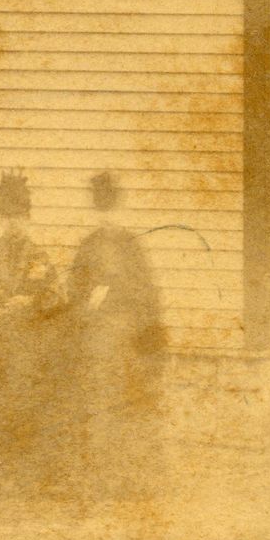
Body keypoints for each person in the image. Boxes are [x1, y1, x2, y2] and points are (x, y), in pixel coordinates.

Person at [0, 171, 68, 479]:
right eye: (7, 218)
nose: (13, 224)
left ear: (28, 219)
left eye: (19, 217)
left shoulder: (40, 257)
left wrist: (30, 303)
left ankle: (21, 474)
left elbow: (56, 299)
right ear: (1, 220)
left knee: (23, 403)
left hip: (26, 346)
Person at [67, 172, 166, 497]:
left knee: (133, 407)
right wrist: (88, 302)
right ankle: (99, 480)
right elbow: (74, 292)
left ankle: (133, 481)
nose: (106, 217)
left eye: (110, 209)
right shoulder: (87, 247)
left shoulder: (131, 247)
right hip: (97, 342)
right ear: (95, 212)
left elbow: (148, 293)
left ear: (118, 209)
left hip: (130, 341)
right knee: (99, 407)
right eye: (101, 210)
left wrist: (149, 340)